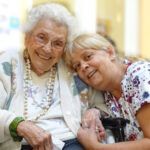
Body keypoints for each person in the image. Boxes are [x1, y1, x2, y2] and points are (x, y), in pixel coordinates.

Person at [0, 4, 106, 150]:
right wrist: (19, 124)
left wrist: (94, 111)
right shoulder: (6, 63)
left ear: (64, 48)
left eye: (58, 43)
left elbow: (102, 102)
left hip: (70, 142)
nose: (47, 49)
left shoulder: (71, 67)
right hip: (20, 145)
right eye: (41, 38)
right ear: (27, 37)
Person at [65, 33, 150, 150]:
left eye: (88, 57)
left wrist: (95, 147)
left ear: (110, 52)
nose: (83, 66)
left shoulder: (140, 75)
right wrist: (94, 111)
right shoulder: (107, 94)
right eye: (77, 66)